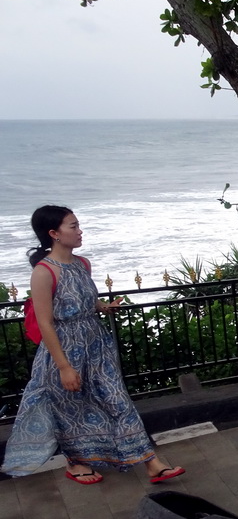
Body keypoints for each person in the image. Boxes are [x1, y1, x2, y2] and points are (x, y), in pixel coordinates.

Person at [2, 206, 185, 485]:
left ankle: (152, 463)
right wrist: (64, 367)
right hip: (63, 352)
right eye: (73, 226)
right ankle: (76, 463)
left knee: (118, 401)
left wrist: (101, 306)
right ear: (54, 234)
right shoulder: (44, 272)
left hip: (96, 347)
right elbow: (46, 323)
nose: (80, 231)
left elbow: (79, 299)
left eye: (78, 225)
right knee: (71, 409)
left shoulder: (82, 264)